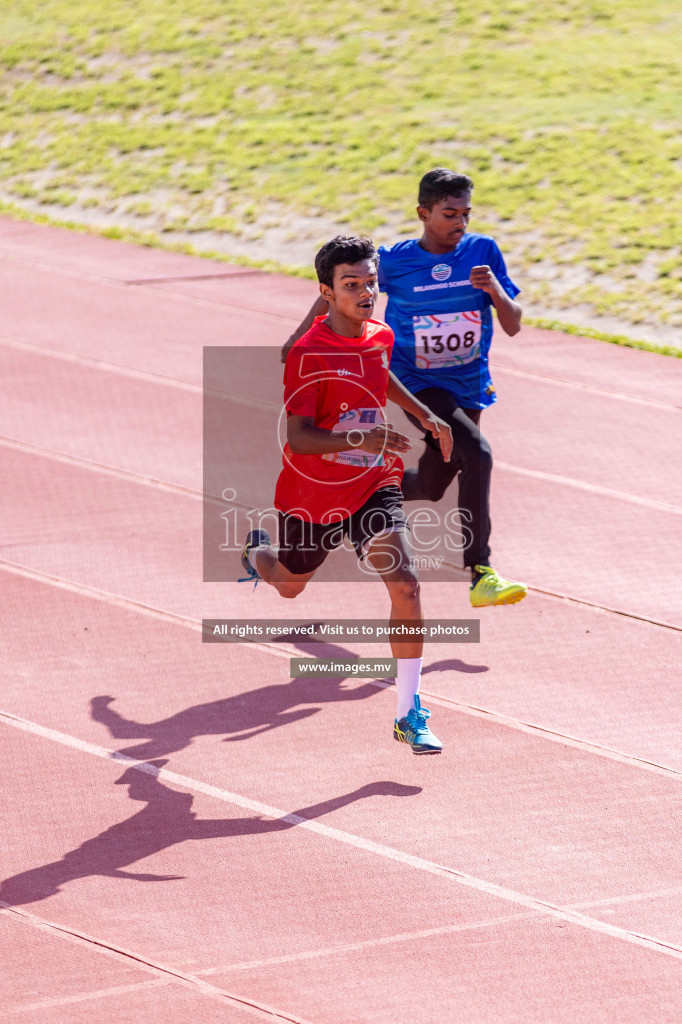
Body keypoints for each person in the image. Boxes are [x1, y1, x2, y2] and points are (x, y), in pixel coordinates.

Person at [241, 235, 454, 754]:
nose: (365, 293)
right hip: (312, 493)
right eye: (351, 285)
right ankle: (255, 551)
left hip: (371, 482)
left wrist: (422, 414)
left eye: (370, 283)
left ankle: (408, 711)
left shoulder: (379, 333)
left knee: (406, 584)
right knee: (289, 587)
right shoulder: (307, 353)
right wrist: (363, 436)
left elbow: (381, 377)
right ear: (326, 292)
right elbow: (298, 437)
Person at [282, 169, 527, 608]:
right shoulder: (393, 260)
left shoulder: (483, 251)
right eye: (450, 213)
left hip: (469, 385)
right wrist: (300, 337)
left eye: (466, 213)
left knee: (434, 483)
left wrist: (493, 290)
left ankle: (357, 507)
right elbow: (342, 286)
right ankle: (482, 572)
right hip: (417, 381)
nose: (461, 223)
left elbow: (512, 325)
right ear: (423, 213)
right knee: (478, 454)